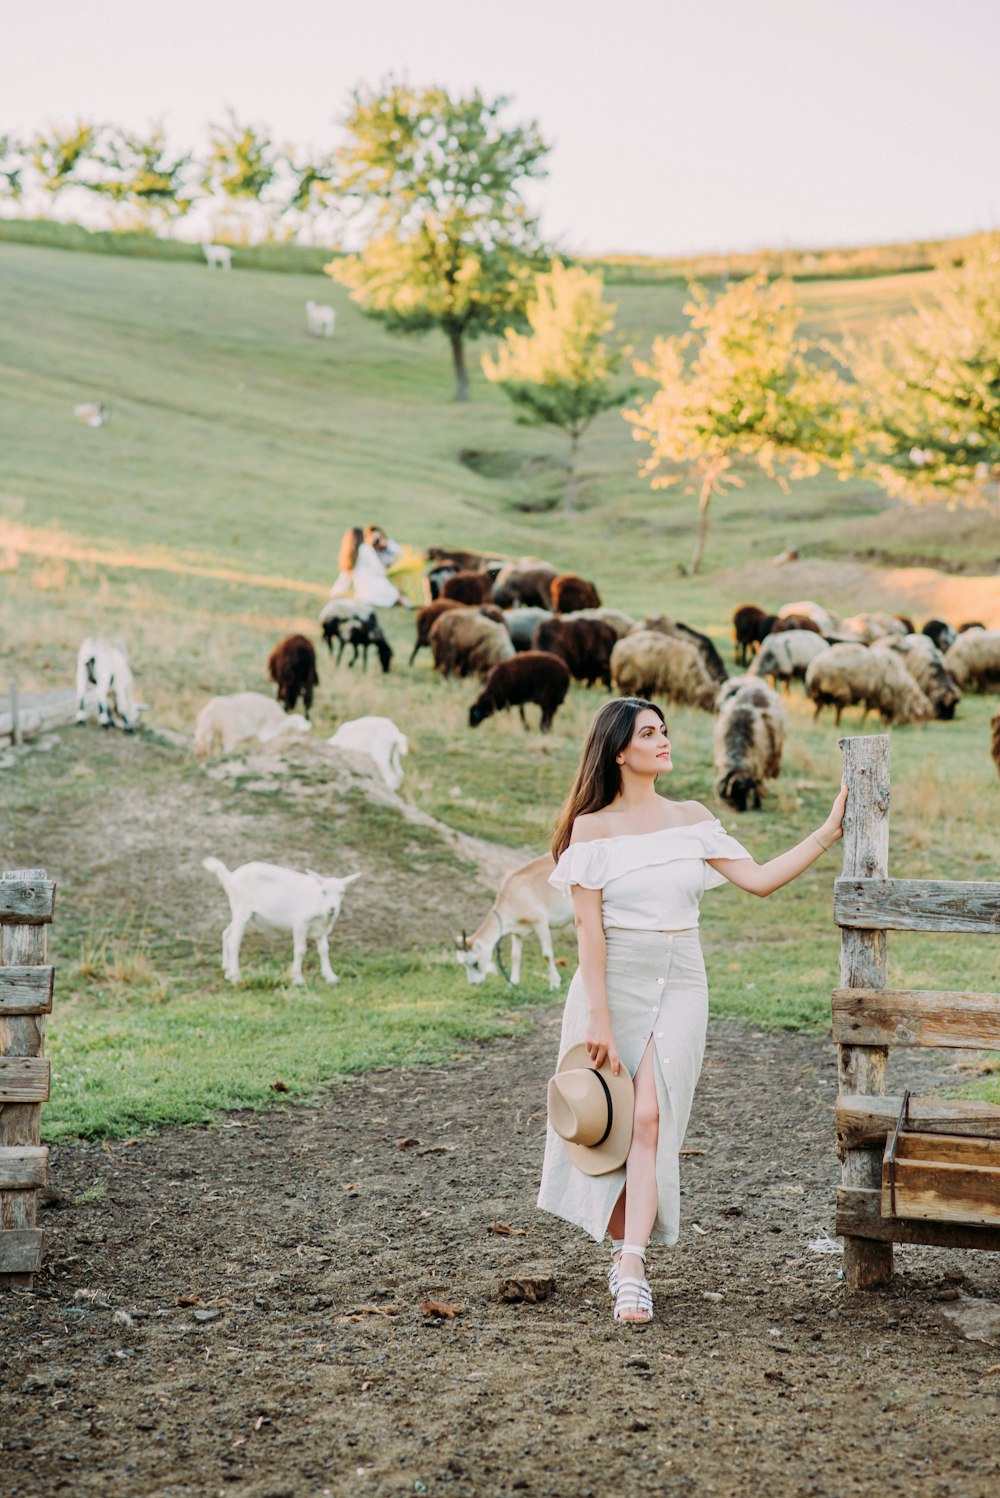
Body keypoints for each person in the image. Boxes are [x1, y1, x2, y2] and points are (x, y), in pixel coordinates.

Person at [537, 697, 848, 1324]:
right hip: (614, 983)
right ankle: (628, 1254)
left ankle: (631, 1265)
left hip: (682, 978)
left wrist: (826, 832)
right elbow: (588, 935)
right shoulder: (591, 830)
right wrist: (598, 1016)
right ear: (619, 750)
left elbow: (757, 880)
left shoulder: (692, 817)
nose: (663, 740)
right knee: (619, 1122)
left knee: (652, 1114)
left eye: (664, 730)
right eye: (648, 733)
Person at [328, 526, 412, 609]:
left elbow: (344, 578)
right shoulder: (366, 549)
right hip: (378, 588)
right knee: (399, 598)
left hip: (363, 593)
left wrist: (334, 592)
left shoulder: (350, 556)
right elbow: (381, 571)